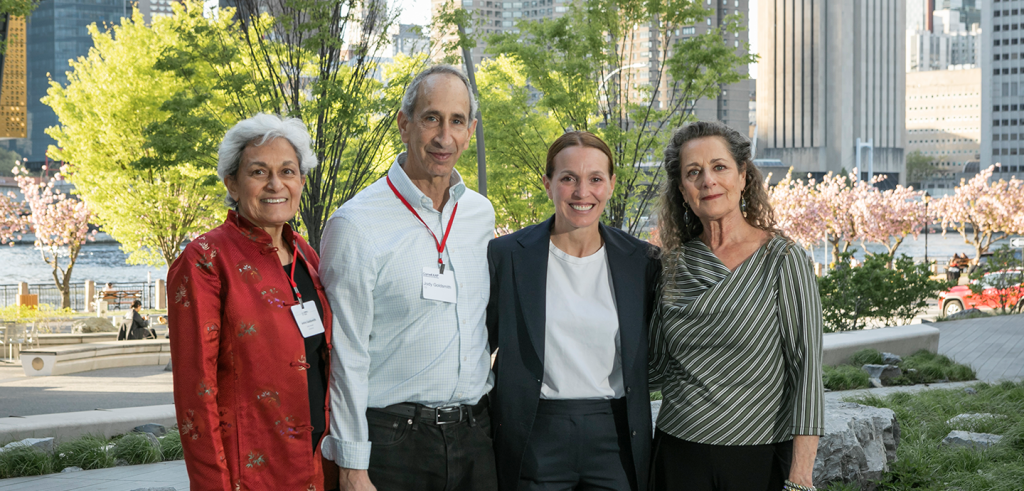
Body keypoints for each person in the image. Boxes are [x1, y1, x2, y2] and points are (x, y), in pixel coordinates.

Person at [319, 65, 496, 491]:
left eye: (457, 121)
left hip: (476, 437)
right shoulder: (355, 224)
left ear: (470, 131)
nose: (444, 137)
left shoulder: (479, 215)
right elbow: (346, 355)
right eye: (431, 118)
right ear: (404, 124)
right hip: (395, 444)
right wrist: (352, 465)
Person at [648, 121, 824, 491]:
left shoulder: (783, 259)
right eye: (693, 172)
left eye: (719, 167)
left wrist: (801, 475)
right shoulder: (671, 265)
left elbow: (806, 370)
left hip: (758, 457)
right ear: (682, 189)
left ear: (743, 176)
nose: (707, 181)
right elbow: (653, 366)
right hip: (677, 455)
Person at [167, 113, 334, 491]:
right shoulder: (205, 260)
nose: (276, 184)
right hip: (250, 475)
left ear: (301, 182)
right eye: (259, 172)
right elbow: (197, 392)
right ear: (233, 183)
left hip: (317, 469)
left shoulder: (306, 253)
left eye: (288, 171)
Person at [487, 131, 661, 491]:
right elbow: (477, 346)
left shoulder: (642, 262)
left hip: (616, 437)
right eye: (568, 179)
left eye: (595, 179)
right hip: (535, 433)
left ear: (611, 185)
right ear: (548, 183)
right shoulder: (506, 256)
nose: (583, 192)